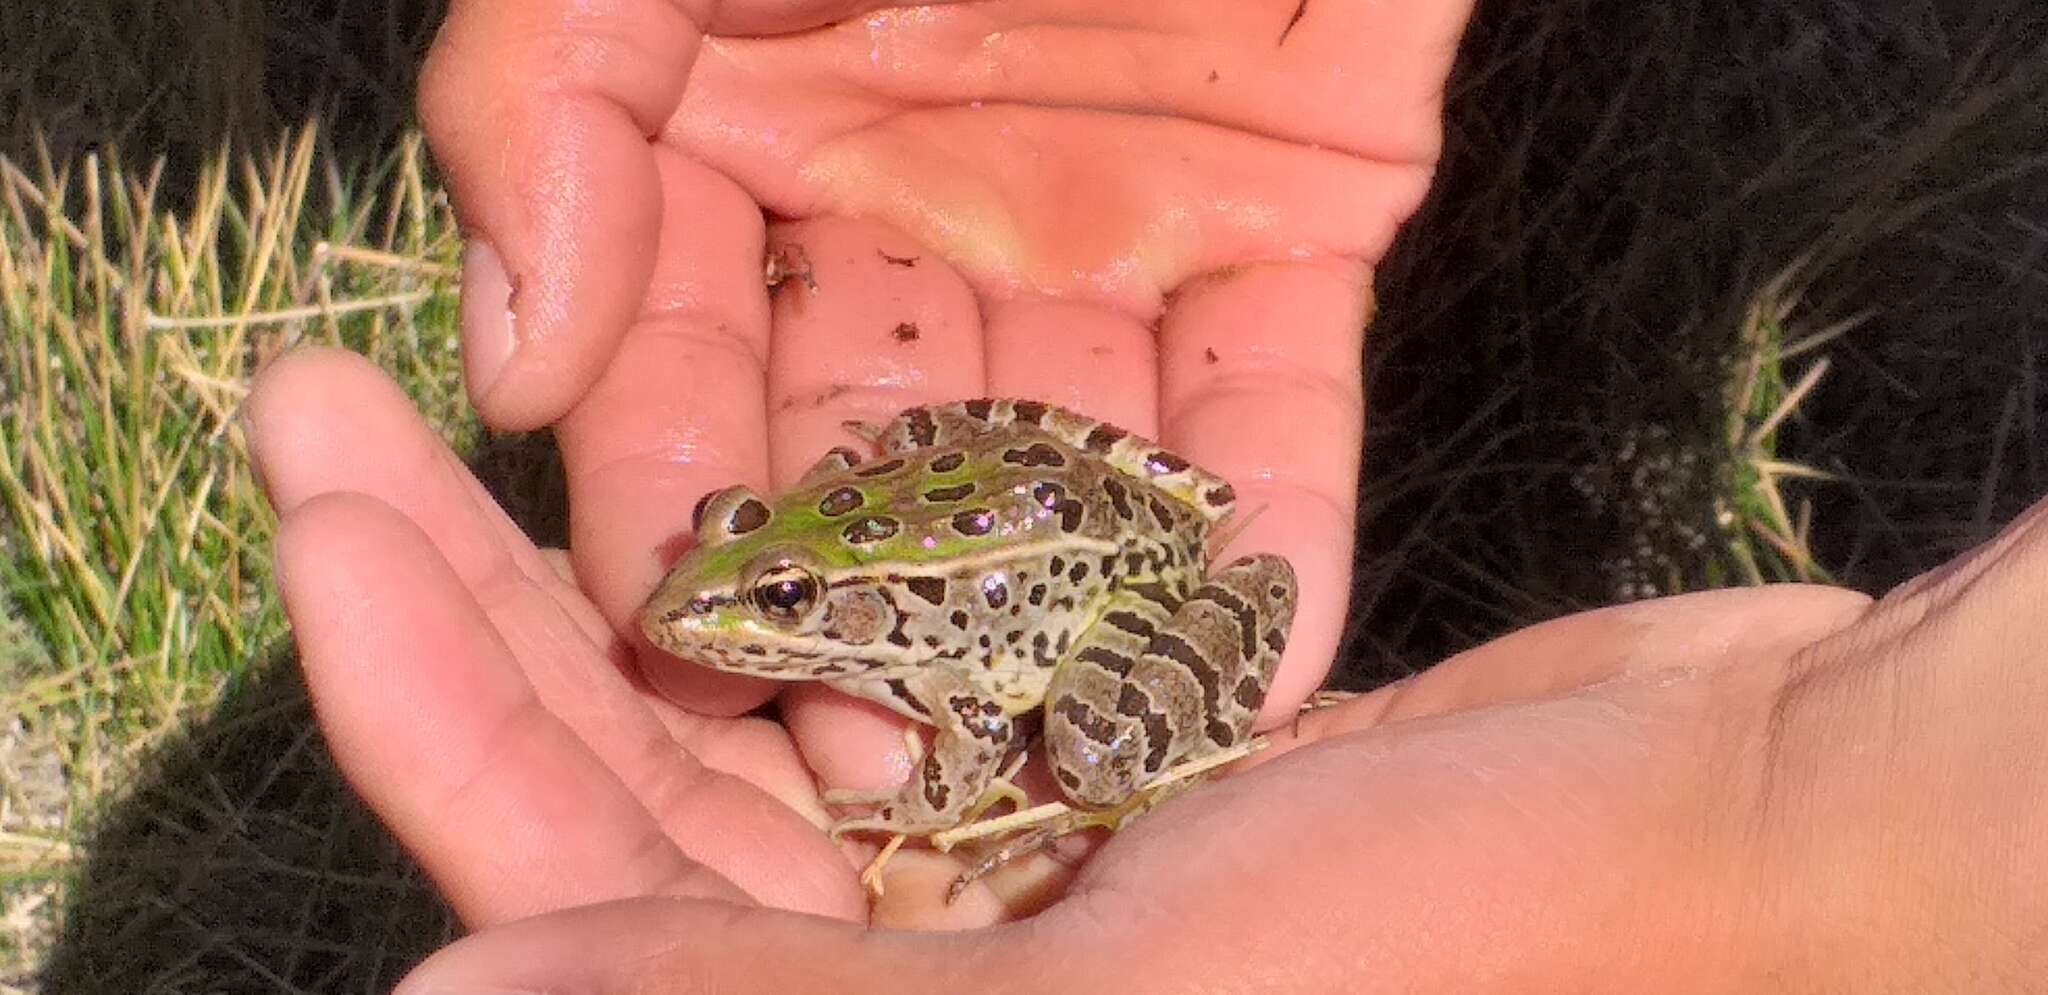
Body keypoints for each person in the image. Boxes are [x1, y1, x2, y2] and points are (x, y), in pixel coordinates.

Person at [248, 0, 2048, 989]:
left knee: (1085, 752)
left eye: (784, 604)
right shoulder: (806, 564)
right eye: (755, 573)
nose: (730, 606)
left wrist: (1801, 809)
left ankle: (1174, 731)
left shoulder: (923, 663)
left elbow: (956, 751)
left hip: (1109, 582)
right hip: (1098, 488)